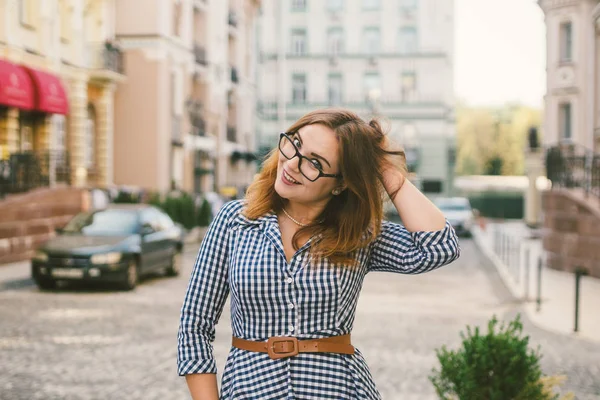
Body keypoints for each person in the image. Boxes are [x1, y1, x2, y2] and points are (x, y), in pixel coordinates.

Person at [177, 109, 461, 399]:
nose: (292, 164)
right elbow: (194, 326)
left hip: (339, 390)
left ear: (341, 183)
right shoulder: (235, 221)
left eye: (315, 162)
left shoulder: (358, 234)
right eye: (295, 144)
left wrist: (381, 166)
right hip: (249, 390)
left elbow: (439, 246)